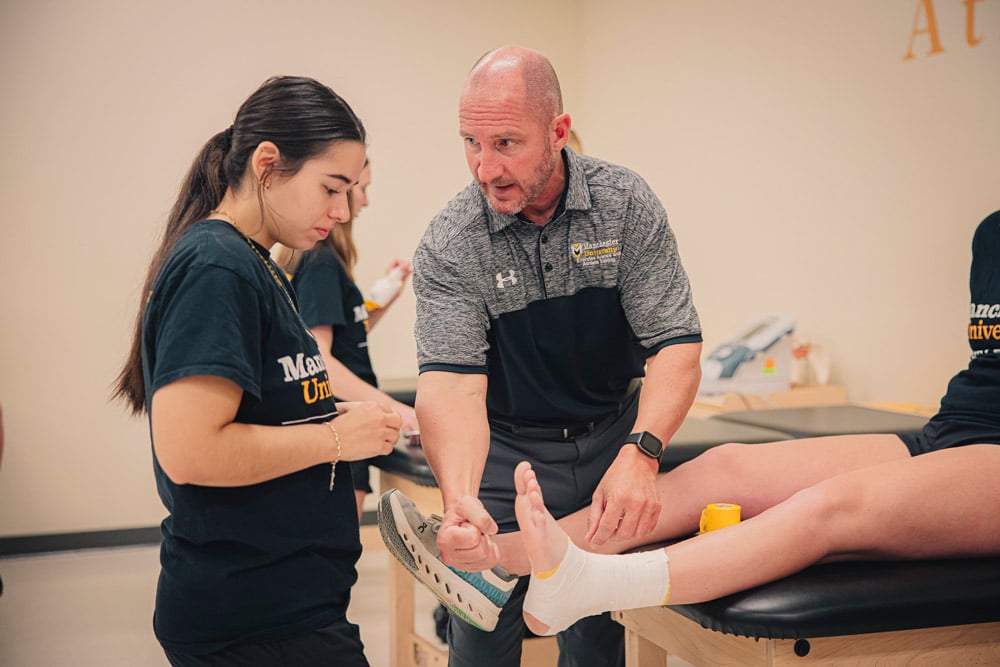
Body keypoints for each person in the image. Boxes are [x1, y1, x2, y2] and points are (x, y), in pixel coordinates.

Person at [387, 209, 1000, 639]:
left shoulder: (621, 204)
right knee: (720, 467)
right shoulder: (991, 234)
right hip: (953, 431)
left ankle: (593, 582)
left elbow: (677, 345)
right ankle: (498, 564)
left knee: (827, 507)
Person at [406, 45, 702, 666]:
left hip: (608, 443)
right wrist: (458, 494)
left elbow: (675, 343)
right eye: (470, 143)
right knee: (482, 638)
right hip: (502, 451)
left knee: (598, 637)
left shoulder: (625, 206)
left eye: (506, 143)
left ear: (558, 132)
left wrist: (641, 454)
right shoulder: (453, 241)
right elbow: (452, 386)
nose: (485, 169)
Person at [113, 76, 402, 667]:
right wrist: (337, 438)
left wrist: (336, 415)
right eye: (331, 187)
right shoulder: (216, 266)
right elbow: (192, 452)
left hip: (288, 607)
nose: (342, 210)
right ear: (268, 164)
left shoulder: (256, 263)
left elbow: (265, 406)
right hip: (251, 619)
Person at [274, 159, 418, 518]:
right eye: (362, 190)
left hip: (339, 426)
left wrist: (382, 303)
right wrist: (397, 410)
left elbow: (343, 339)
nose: (365, 202)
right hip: (341, 425)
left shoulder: (326, 262)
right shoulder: (321, 262)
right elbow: (320, 360)